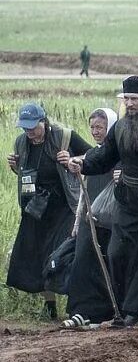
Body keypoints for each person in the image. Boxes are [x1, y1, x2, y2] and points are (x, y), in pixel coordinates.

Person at [70, 76, 138, 330]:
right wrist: (83, 163)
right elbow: (104, 157)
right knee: (118, 253)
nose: (129, 104)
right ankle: (129, 309)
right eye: (126, 99)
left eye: (135, 99)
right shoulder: (119, 129)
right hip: (127, 200)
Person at [7, 102, 91, 321]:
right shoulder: (21, 143)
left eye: (33, 127)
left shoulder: (64, 137)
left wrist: (73, 160)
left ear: (43, 121)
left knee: (62, 254)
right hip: (36, 208)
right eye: (25, 128)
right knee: (37, 255)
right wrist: (17, 167)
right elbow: (27, 174)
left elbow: (94, 156)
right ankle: (50, 305)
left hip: (63, 207)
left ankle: (77, 303)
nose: (29, 132)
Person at [62, 107, 119, 327]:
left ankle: (107, 311)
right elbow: (82, 195)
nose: (95, 131)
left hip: (111, 222)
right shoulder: (91, 157)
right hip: (89, 220)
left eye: (100, 127)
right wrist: (77, 223)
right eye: (92, 127)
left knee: (108, 262)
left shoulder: (118, 158)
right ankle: (81, 310)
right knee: (83, 261)